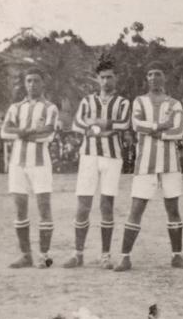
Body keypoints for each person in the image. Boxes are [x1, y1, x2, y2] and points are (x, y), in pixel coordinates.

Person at [114, 61, 183, 271]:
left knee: (173, 209)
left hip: (170, 164)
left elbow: (178, 132)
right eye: (149, 74)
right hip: (145, 164)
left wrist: (157, 132)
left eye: (157, 73)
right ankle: (125, 257)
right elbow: (136, 125)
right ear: (146, 79)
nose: (153, 78)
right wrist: (160, 126)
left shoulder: (174, 103)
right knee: (136, 208)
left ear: (164, 77)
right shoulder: (139, 101)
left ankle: (177, 256)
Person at [63, 56, 130, 269]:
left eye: (110, 77)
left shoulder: (123, 102)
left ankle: (105, 255)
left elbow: (124, 124)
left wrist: (100, 124)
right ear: (97, 79)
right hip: (89, 156)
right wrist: (99, 126)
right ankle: (78, 253)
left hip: (112, 157)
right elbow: (77, 124)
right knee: (83, 205)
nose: (106, 82)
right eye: (102, 78)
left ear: (116, 78)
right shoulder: (87, 101)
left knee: (106, 205)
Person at [0, 67, 59, 268]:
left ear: (43, 83)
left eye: (36, 80)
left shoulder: (50, 107)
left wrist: (22, 133)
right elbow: (4, 132)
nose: (32, 84)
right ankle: (26, 255)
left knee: (44, 208)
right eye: (29, 81)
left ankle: (44, 256)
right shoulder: (16, 107)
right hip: (18, 163)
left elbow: (47, 134)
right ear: (25, 84)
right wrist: (27, 131)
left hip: (40, 164)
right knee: (20, 209)